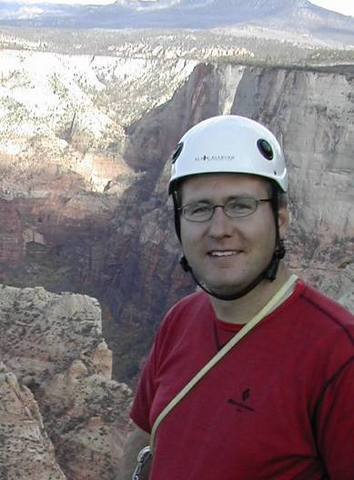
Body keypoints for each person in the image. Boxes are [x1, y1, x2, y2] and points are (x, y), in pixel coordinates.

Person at [124, 115, 354, 479]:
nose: (220, 230)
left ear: (280, 219)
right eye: (199, 209)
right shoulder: (180, 320)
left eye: (241, 206)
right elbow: (142, 440)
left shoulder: (339, 354)